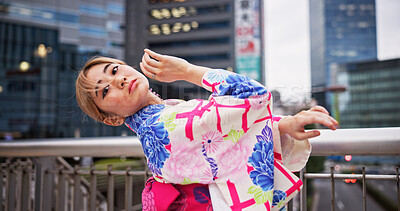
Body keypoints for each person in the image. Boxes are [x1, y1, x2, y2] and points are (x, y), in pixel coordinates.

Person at [75, 49, 338, 210]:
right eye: (105, 90)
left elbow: (231, 137)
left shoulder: (168, 114)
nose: (117, 79)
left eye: (114, 69)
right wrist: (187, 71)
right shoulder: (163, 127)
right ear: (111, 119)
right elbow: (253, 97)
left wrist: (283, 125)